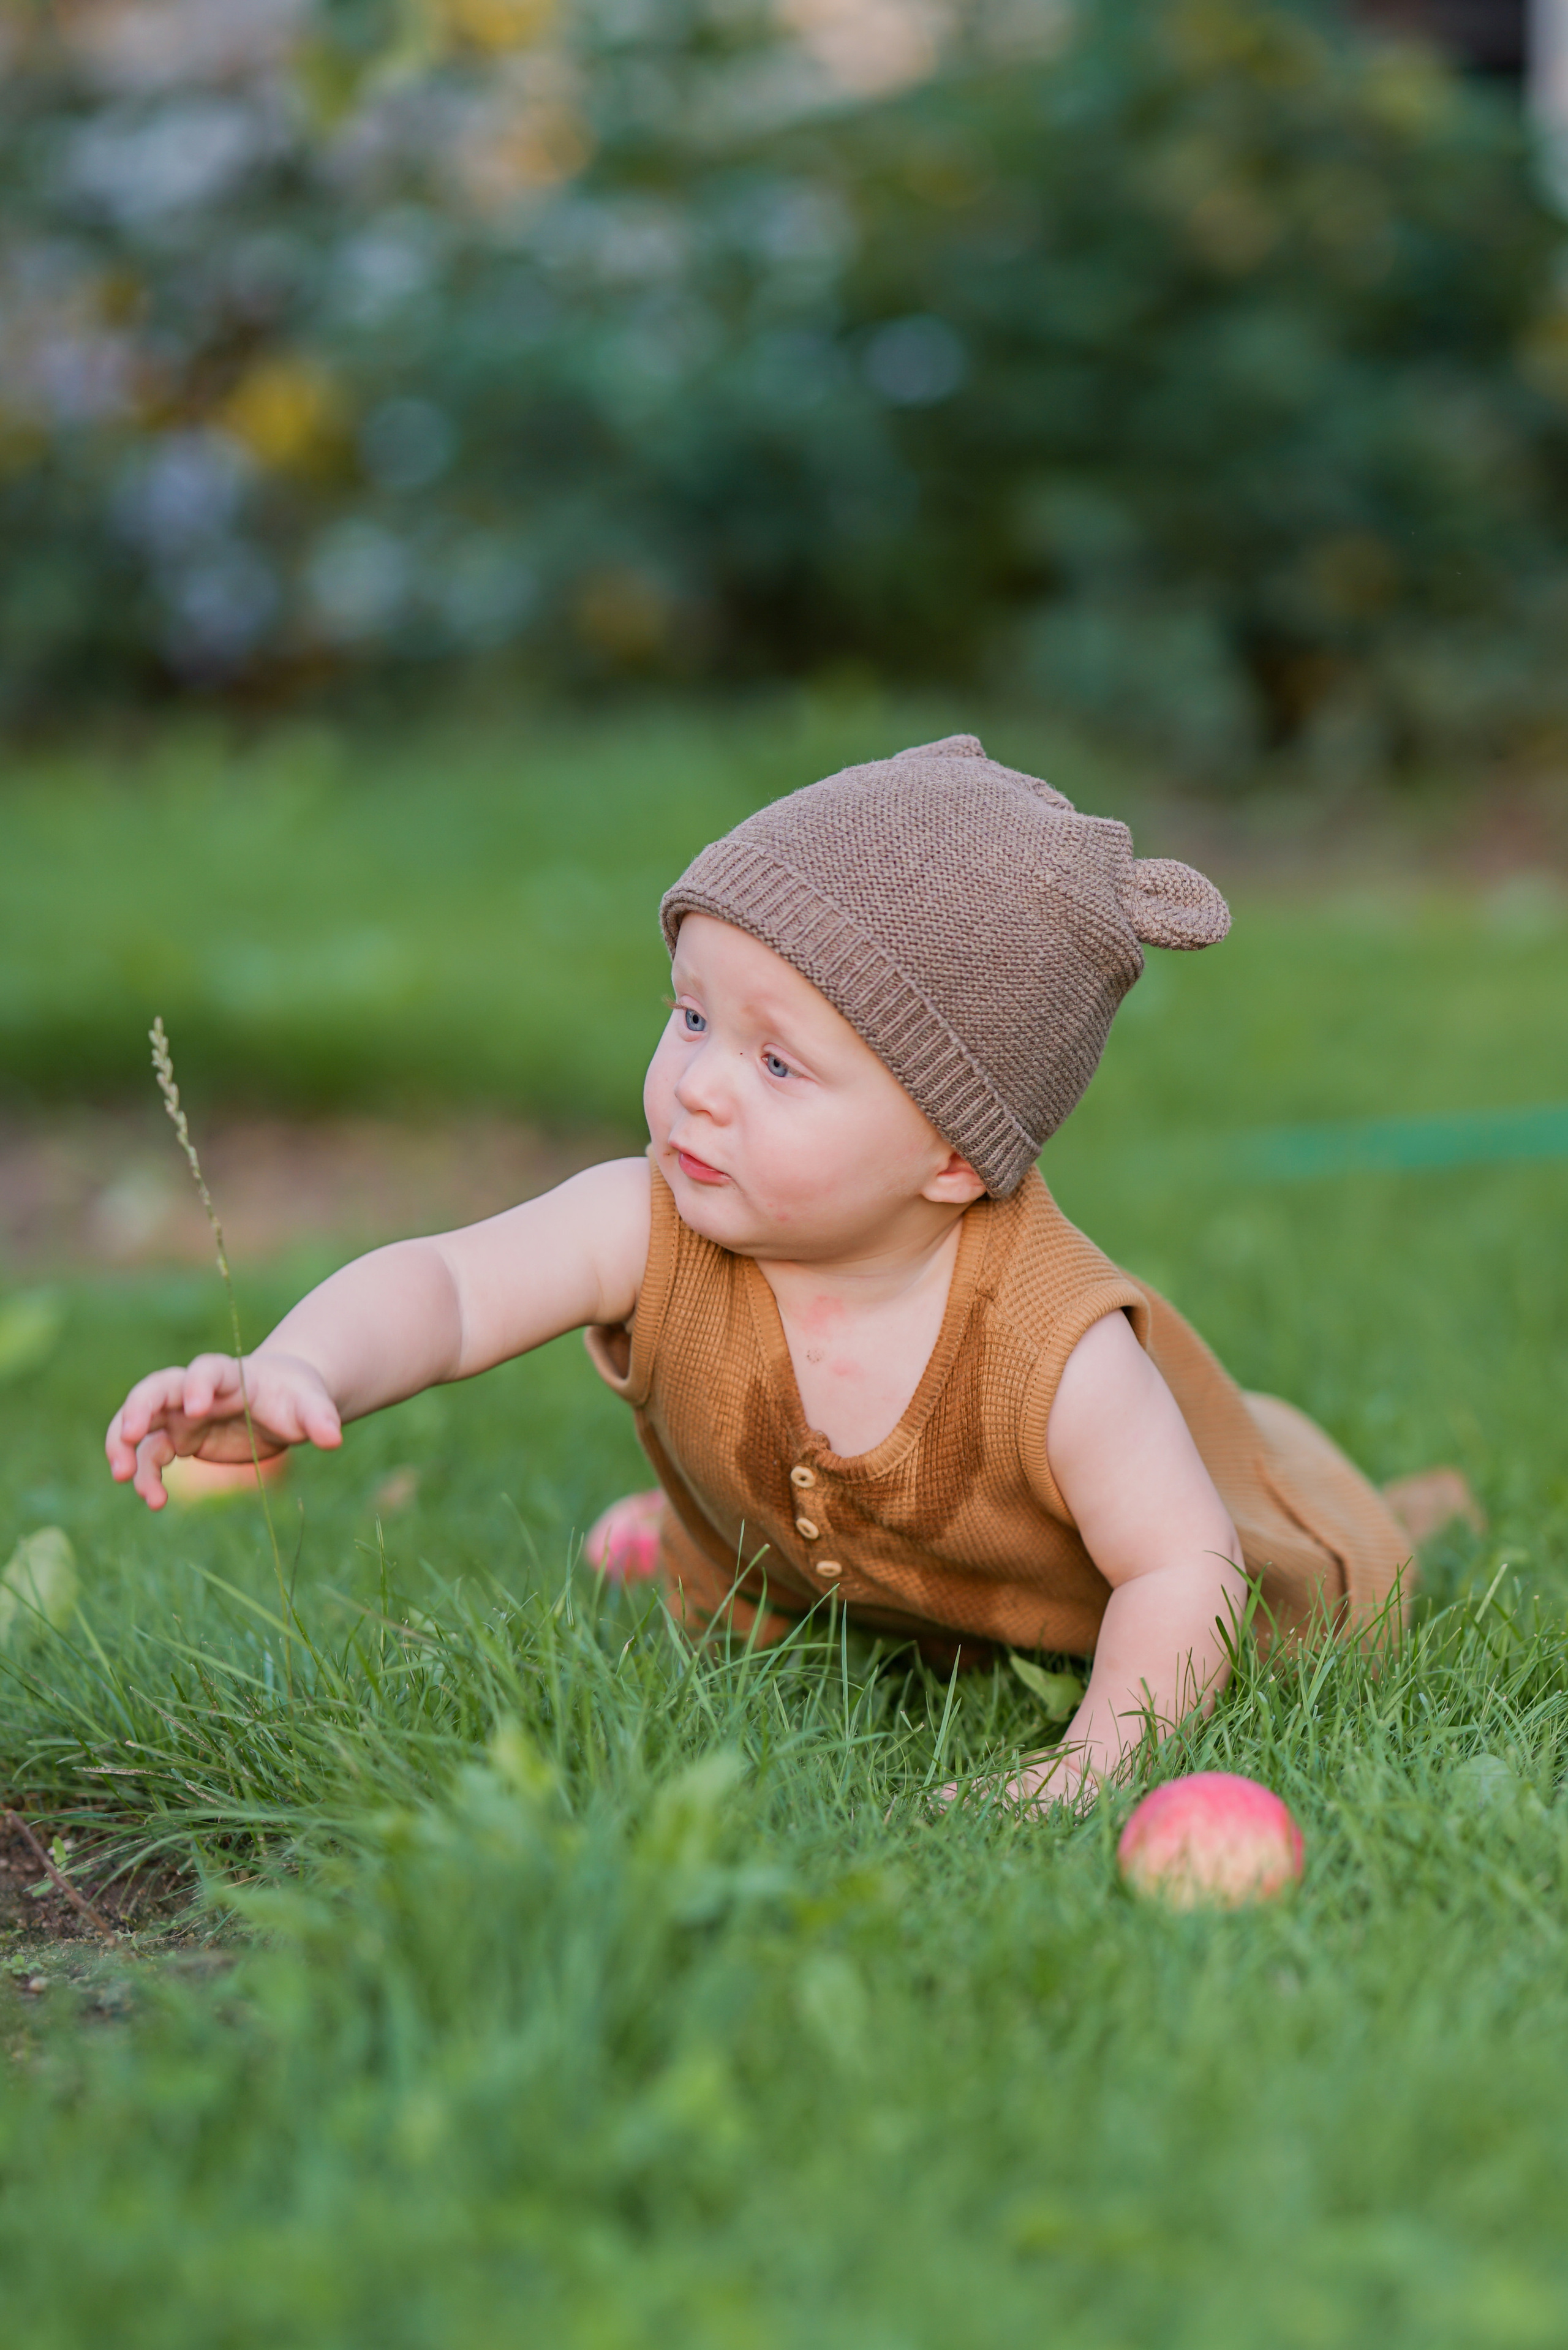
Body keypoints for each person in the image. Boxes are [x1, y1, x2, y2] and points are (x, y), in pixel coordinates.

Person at [105, 736, 1434, 1803]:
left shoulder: (1051, 1345)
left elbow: (1178, 1567)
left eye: (777, 1062)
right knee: (755, 1552)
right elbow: (451, 1287)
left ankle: (1371, 1501)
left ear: (953, 1157)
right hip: (849, 1579)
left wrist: (1087, 1767)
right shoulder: (651, 1220)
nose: (698, 1088)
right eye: (690, 1016)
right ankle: (713, 1564)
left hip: (1179, 1571)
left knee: (1279, 1527)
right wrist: (296, 1362)